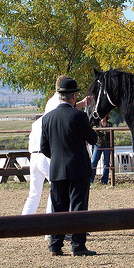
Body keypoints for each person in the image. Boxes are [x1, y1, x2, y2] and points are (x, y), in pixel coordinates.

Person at [41, 77, 98, 257]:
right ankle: (77, 245)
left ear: (60, 96)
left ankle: (55, 246)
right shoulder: (79, 116)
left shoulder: (47, 118)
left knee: (58, 208)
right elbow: (93, 139)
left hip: (57, 170)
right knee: (78, 207)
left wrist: (57, 157)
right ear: (73, 96)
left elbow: (44, 147)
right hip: (78, 168)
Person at [22, 75, 91, 217]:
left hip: (34, 153)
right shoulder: (56, 103)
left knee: (34, 194)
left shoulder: (50, 103)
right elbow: (66, 112)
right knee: (57, 191)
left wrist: (82, 103)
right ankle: (53, 227)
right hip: (45, 154)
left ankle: (24, 224)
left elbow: (67, 109)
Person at [91, 114, 113, 184]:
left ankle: (104, 181)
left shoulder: (109, 124)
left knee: (106, 163)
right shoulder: (97, 124)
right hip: (98, 144)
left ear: (107, 116)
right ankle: (91, 179)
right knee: (93, 162)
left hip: (107, 145)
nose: (103, 117)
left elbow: (110, 134)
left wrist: (100, 131)